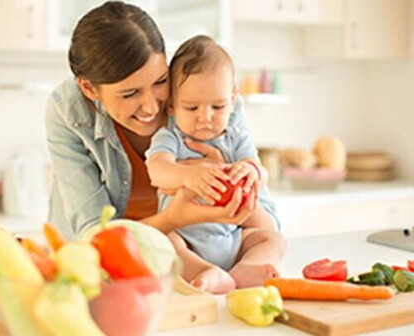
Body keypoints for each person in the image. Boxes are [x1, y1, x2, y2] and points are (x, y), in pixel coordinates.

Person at [45, 1, 283, 285]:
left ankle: (230, 278)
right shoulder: (68, 111)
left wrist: (235, 179)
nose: (151, 107)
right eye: (130, 93)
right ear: (88, 87)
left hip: (209, 258)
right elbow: (96, 240)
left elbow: (267, 221)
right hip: (116, 269)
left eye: (160, 81)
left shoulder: (205, 94)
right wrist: (174, 218)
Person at [145, 35, 286, 293]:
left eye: (218, 106)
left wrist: (253, 171)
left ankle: (242, 270)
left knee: (273, 240)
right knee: (164, 242)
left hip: (231, 238)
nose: (205, 118)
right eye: (191, 108)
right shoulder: (171, 138)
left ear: (233, 99)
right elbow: (157, 170)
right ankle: (204, 272)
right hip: (186, 240)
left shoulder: (235, 139)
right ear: (172, 106)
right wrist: (187, 176)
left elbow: (261, 173)